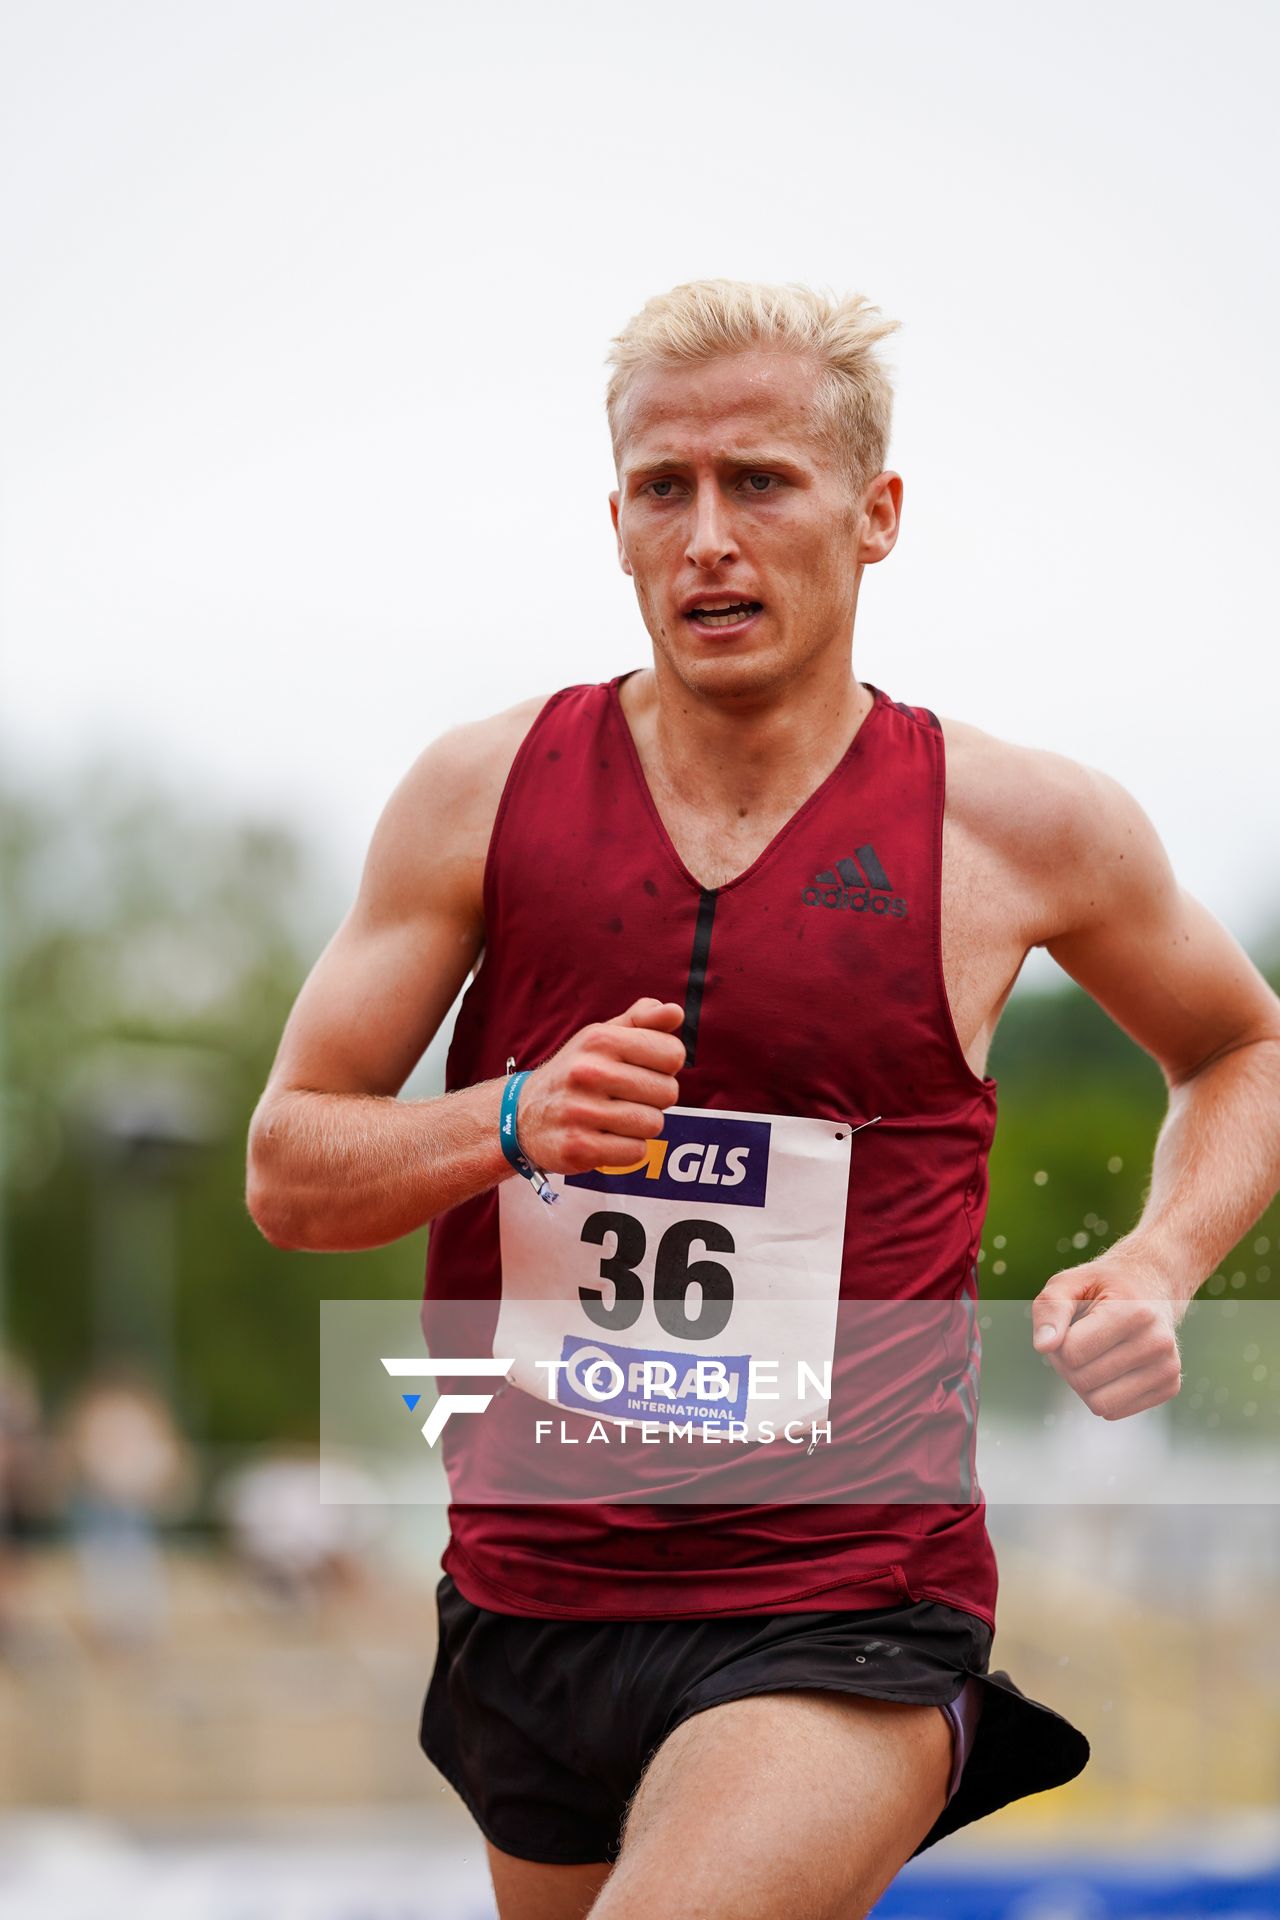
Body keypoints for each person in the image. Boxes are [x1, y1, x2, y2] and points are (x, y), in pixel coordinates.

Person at [246, 280, 1280, 1920]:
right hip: (531, 1593)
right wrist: (505, 1119)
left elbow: (1243, 1046)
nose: (708, 536)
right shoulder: (477, 796)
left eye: (762, 484)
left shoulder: (1014, 826)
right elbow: (290, 1174)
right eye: (667, 488)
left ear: (875, 517)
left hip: (845, 1595)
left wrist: (1159, 1256)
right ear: (616, 521)